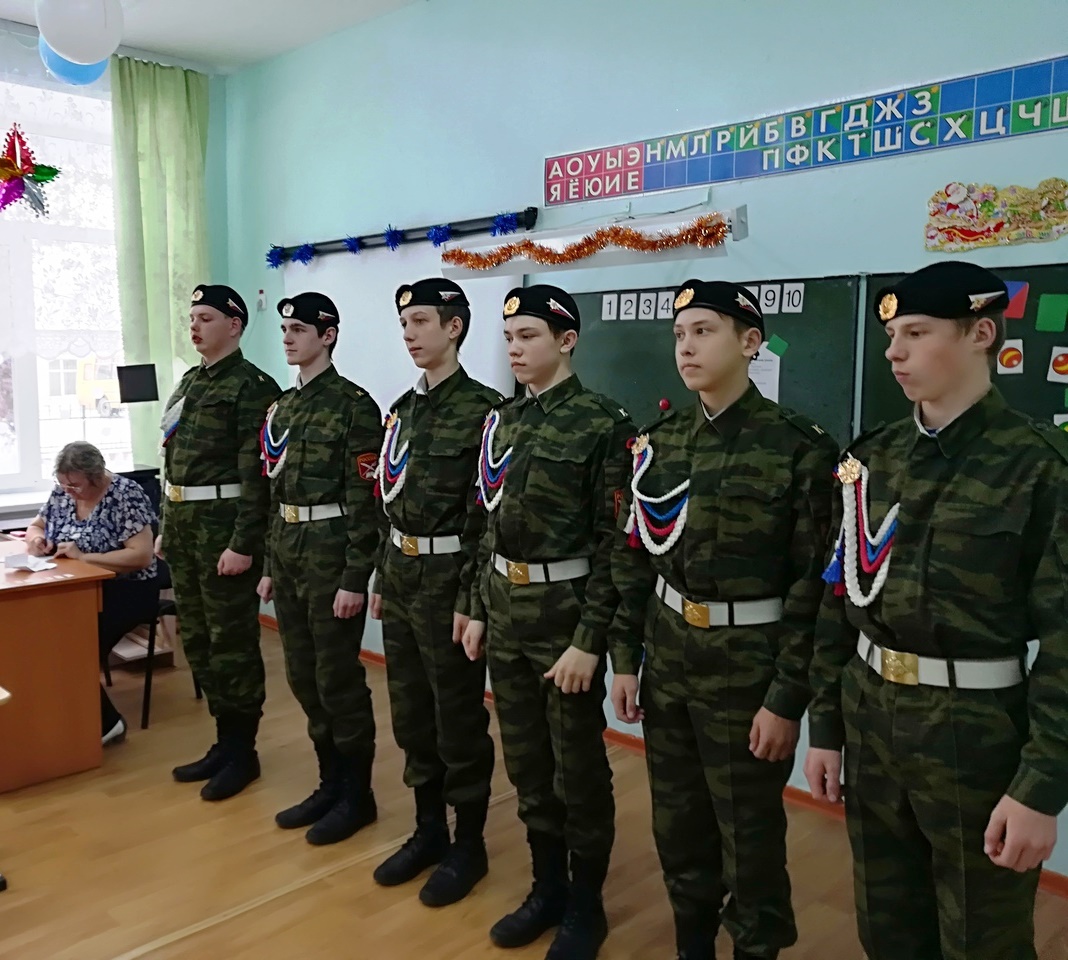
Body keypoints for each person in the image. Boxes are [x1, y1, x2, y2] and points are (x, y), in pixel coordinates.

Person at [804, 261, 1068, 960]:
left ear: (980, 334)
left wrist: (1041, 789)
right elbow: (839, 599)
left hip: (975, 737)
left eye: (916, 333)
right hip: (871, 718)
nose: (894, 352)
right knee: (887, 928)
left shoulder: (1041, 467)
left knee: (983, 940)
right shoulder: (871, 459)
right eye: (892, 336)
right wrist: (825, 726)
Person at [606, 280, 837, 960]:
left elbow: (815, 588)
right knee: (678, 827)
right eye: (679, 335)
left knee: (749, 836)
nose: (686, 347)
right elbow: (635, 559)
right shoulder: (658, 443)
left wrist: (786, 697)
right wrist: (625, 658)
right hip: (670, 657)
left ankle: (755, 948)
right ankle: (693, 945)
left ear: (750, 341)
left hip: (749, 669)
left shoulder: (799, 448)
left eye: (703, 331)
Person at [460, 285, 633, 960]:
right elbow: (488, 524)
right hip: (507, 613)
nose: (515, 349)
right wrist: (479, 608)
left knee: (576, 771)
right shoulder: (502, 422)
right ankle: (547, 889)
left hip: (565, 621)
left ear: (566, 340)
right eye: (509, 338)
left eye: (528, 336)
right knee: (529, 766)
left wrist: (591, 641)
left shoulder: (602, 423)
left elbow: (616, 545)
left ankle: (586, 905)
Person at [368, 278, 500, 903]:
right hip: (401, 577)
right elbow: (387, 501)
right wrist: (380, 572)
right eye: (405, 323)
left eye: (421, 321)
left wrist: (472, 601)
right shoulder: (402, 409)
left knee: (457, 719)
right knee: (411, 714)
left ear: (454, 327)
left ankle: (469, 843)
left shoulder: (487, 412)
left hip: (450, 583)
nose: (409, 333)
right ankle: (429, 831)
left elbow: (487, 521)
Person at [257, 292, 383, 846]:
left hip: (331, 554)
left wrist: (356, 577)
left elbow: (365, 500)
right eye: (285, 329)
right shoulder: (281, 408)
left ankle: (358, 795)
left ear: (327, 336)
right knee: (303, 674)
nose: (288, 337)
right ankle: (329, 782)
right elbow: (274, 491)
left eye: (300, 329)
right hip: (288, 550)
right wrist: (269, 563)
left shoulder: (355, 406)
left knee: (336, 677)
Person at [158, 284, 280, 802]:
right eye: (192, 318)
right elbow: (171, 459)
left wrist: (244, 543)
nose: (195, 326)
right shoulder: (190, 382)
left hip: (223, 531)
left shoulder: (253, 387)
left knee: (231, 642)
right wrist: (166, 525)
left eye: (205, 318)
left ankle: (243, 751)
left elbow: (259, 476)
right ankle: (223, 741)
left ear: (234, 325)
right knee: (200, 641)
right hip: (185, 530)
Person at [26, 441, 160, 746]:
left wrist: (85, 558)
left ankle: (107, 724)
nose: (69, 491)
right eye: (63, 484)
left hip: (126, 590)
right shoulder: (63, 491)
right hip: (76, 589)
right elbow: (36, 525)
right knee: (40, 640)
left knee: (73, 650)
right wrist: (36, 540)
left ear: (97, 477)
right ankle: (58, 714)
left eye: (75, 485)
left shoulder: (125, 494)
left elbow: (141, 555)